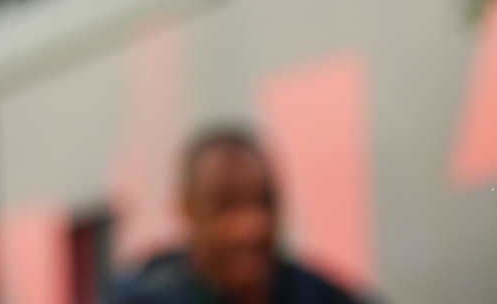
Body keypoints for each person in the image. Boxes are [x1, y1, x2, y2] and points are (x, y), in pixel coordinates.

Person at [109, 128, 366, 304]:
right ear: (187, 209)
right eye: (225, 206)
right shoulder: (145, 297)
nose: (250, 227)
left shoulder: (315, 293)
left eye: (264, 202)